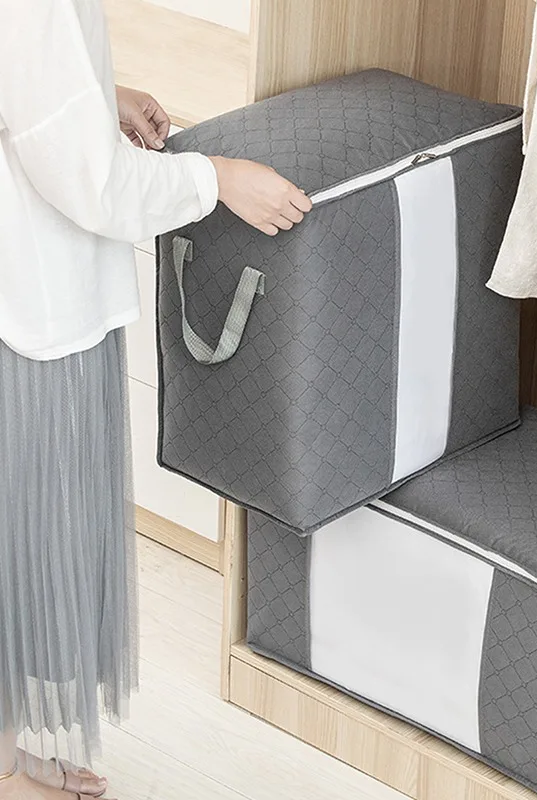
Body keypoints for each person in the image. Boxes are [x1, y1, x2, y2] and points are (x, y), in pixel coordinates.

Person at [0, 1, 312, 798]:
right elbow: (93, 182)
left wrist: (92, 93)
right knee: (20, 534)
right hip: (23, 298)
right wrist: (218, 179)